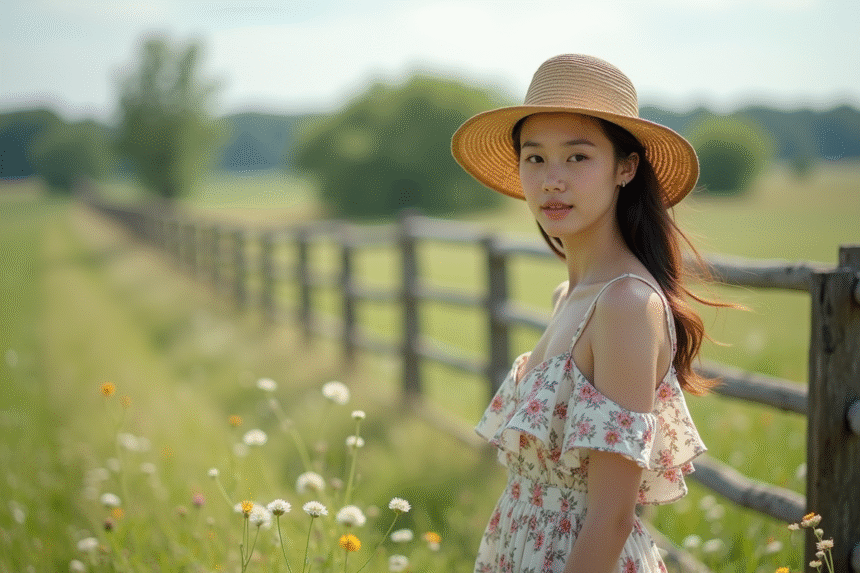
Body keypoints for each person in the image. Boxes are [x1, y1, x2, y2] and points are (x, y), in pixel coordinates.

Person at [451, 54, 714, 573]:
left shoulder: (624, 306)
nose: (552, 180)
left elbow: (612, 516)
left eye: (577, 158)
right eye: (535, 159)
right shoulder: (568, 295)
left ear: (625, 166)